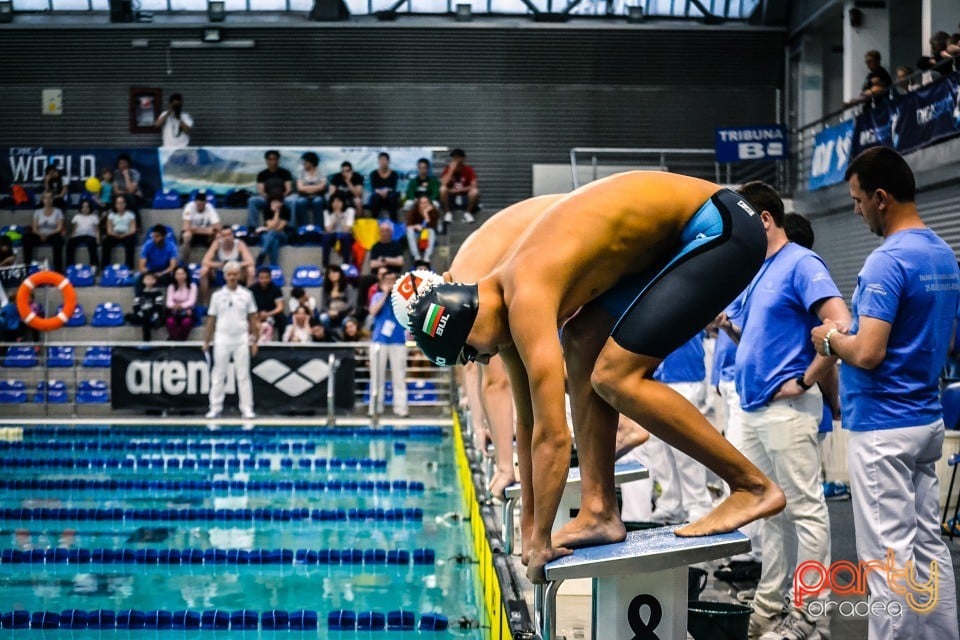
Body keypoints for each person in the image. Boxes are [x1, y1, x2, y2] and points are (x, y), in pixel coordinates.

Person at [405, 172, 786, 582]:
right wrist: (531, 530)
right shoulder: (502, 299)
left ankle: (751, 486)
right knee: (581, 339)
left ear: (464, 325)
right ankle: (599, 509)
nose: (479, 362)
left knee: (614, 376)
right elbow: (529, 422)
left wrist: (544, 541)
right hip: (674, 239)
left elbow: (553, 437)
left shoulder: (526, 297)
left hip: (721, 227)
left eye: (468, 352)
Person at [811, 147, 959, 640]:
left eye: (857, 201)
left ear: (881, 198)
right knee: (928, 549)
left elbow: (869, 353)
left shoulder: (886, 261)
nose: (855, 210)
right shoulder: (943, 254)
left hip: (884, 428)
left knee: (886, 560)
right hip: (924, 419)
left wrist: (831, 339)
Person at [714, 181, 848, 640]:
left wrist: (809, 377)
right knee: (767, 512)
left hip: (786, 410)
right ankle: (770, 607)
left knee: (807, 513)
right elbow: (756, 340)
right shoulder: (759, 270)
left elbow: (840, 322)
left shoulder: (801, 263)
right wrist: (729, 327)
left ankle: (812, 617)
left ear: (765, 220)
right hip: (753, 409)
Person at [203, 261, 259, 420]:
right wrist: (206, 341)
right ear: (225, 276)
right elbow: (211, 320)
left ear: (239, 275)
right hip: (222, 338)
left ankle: (247, 408)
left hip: (241, 339)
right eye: (229, 274)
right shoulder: (217, 296)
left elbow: (253, 319)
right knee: (218, 374)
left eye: (235, 274)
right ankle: (214, 407)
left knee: (243, 375)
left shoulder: (247, 295)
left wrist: (254, 341)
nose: (233, 277)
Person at [369, 269, 408, 417]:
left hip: (398, 341)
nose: (390, 284)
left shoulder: (403, 299)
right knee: (377, 375)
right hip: (379, 341)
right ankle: (375, 408)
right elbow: (373, 312)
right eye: (387, 281)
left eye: (393, 281)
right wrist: (385, 294)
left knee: (399, 376)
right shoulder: (377, 296)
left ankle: (401, 408)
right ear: (381, 283)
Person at [199, 226, 255, 303]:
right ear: (220, 237)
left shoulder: (239, 244)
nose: (227, 237)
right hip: (220, 272)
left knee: (251, 270)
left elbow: (250, 261)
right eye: (224, 235)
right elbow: (205, 261)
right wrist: (221, 264)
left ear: (233, 235)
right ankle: (204, 302)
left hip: (236, 272)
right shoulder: (216, 244)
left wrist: (233, 264)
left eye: (229, 234)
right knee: (204, 270)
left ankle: (248, 300)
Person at [247, 150, 294, 230]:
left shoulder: (285, 173)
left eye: (274, 159)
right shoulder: (262, 174)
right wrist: (271, 200)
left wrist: (278, 200)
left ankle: (292, 228)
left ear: (278, 160)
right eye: (270, 159)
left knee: (293, 201)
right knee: (252, 200)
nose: (272, 162)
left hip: (283, 198)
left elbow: (288, 189)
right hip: (267, 199)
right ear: (266, 160)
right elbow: (261, 191)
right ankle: (253, 228)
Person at [23, 192, 65, 272]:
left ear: (53, 199)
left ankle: (58, 271)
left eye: (50, 198)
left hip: (53, 235)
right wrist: (40, 234)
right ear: (42, 200)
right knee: (26, 238)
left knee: (58, 240)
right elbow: (34, 228)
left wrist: (48, 235)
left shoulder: (58, 211)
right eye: (46, 198)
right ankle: (27, 269)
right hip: (39, 235)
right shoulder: (38, 212)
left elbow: (59, 228)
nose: (48, 200)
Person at [440, 148, 479, 224]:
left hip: (464, 196)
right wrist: (451, 170)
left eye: (458, 157)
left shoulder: (468, 169)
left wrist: (459, 190)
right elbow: (443, 183)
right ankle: (448, 213)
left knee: (475, 191)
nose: (456, 160)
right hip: (451, 197)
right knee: (442, 189)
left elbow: (474, 185)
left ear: (463, 159)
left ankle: (467, 213)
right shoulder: (448, 169)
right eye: (454, 157)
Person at [179, 191, 222, 262]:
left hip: (205, 236)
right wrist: (207, 230)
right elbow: (186, 228)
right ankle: (185, 262)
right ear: (195, 202)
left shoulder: (210, 208)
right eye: (198, 205)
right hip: (194, 234)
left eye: (202, 205)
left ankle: (212, 262)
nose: (200, 207)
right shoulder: (189, 207)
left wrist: (195, 229)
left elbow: (218, 227)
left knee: (218, 236)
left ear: (206, 203)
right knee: (187, 235)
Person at [136, 225, 178, 295]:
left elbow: (172, 266)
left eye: (157, 236)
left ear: (164, 236)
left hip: (164, 271)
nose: (154, 238)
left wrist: (162, 273)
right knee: (137, 279)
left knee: (175, 278)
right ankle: (139, 300)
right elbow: (141, 266)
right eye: (153, 236)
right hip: (150, 271)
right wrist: (150, 274)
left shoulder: (171, 246)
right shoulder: (147, 245)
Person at [100, 195, 138, 269]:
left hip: (127, 234)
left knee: (131, 242)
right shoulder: (111, 215)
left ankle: (129, 268)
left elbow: (133, 229)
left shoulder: (130, 215)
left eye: (122, 203)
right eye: (118, 203)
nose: (120, 205)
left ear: (125, 204)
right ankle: (105, 267)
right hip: (114, 234)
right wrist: (115, 234)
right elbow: (109, 230)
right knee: (106, 242)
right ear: (115, 204)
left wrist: (125, 235)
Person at [126, 272, 166, 342]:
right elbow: (136, 306)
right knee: (128, 316)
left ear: (155, 280)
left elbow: (158, 306)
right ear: (143, 281)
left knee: (147, 319)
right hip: (142, 314)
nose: (149, 281)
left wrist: (149, 313)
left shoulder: (158, 293)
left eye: (151, 279)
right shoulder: (139, 294)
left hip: (153, 315)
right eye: (147, 279)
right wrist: (141, 313)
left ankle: (146, 341)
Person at [251, 266, 285, 343]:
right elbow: (248, 306)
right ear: (257, 278)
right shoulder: (252, 289)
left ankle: (281, 342)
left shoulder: (276, 289)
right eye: (261, 278)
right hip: (256, 314)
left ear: (270, 278)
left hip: (271, 314)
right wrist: (256, 315)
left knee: (282, 319)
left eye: (266, 278)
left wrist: (268, 314)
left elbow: (280, 307)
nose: (264, 280)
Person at [255, 196, 290, 267]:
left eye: (277, 202)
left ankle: (263, 252)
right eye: (273, 202)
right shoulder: (267, 210)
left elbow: (279, 228)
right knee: (274, 241)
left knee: (273, 233)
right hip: (272, 236)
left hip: (283, 236)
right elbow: (271, 226)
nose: (274, 204)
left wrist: (277, 212)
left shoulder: (286, 210)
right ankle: (274, 266)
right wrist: (270, 227)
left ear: (281, 203)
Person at [321, 193, 355, 267]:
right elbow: (328, 229)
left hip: (346, 236)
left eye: (339, 201)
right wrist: (335, 216)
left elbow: (347, 229)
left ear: (343, 202)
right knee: (326, 236)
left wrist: (340, 216)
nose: (336, 204)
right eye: (334, 202)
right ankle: (325, 264)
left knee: (346, 235)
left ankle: (346, 264)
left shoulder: (350, 211)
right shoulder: (326, 212)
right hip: (333, 236)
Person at [295, 151, 328, 227]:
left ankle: (319, 228)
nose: (304, 164)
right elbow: (300, 188)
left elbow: (322, 186)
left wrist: (307, 187)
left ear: (311, 162)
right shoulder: (301, 172)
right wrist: (315, 187)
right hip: (304, 196)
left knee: (317, 202)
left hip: (318, 195)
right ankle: (303, 227)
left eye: (305, 162)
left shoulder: (321, 172)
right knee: (300, 202)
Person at [165, 265, 198, 341]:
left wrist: (182, 306)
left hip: (187, 311)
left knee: (187, 322)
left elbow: (192, 301)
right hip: (174, 310)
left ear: (186, 274)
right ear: (175, 275)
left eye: (182, 273)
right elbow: (168, 302)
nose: (180, 276)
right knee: (170, 321)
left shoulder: (192, 286)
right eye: (178, 274)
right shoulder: (171, 286)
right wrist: (174, 306)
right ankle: (174, 338)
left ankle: (182, 339)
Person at [319, 264, 356, 329]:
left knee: (347, 321)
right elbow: (323, 305)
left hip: (345, 313)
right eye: (329, 273)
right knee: (323, 318)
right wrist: (329, 311)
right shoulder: (325, 289)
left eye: (334, 272)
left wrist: (338, 312)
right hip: (330, 314)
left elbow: (351, 304)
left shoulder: (348, 287)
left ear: (340, 273)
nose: (332, 274)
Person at [66, 199, 100, 269]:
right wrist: (72, 237)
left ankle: (93, 265)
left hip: (90, 236)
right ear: (81, 208)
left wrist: (98, 239)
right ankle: (69, 265)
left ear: (90, 208)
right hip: (78, 235)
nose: (85, 209)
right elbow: (74, 230)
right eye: (83, 207)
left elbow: (96, 230)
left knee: (91, 243)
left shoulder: (94, 217)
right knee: (70, 243)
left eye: (87, 207)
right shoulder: (77, 217)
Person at [405, 196, 439, 264]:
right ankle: (416, 256)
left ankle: (427, 256)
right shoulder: (413, 211)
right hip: (416, 235)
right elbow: (408, 226)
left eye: (426, 203)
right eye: (422, 203)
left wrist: (426, 214)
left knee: (431, 231)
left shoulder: (433, 212)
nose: (424, 205)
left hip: (426, 236)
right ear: (418, 204)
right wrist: (415, 226)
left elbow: (433, 227)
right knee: (409, 231)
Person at [368, 152, 400, 221]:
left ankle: (393, 222)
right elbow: (374, 188)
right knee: (375, 197)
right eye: (381, 160)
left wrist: (386, 191)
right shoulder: (374, 174)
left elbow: (393, 188)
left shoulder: (394, 174)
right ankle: (374, 221)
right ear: (378, 161)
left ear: (388, 161)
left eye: (385, 160)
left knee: (392, 196)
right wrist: (380, 192)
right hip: (378, 196)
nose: (383, 162)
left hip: (389, 195)